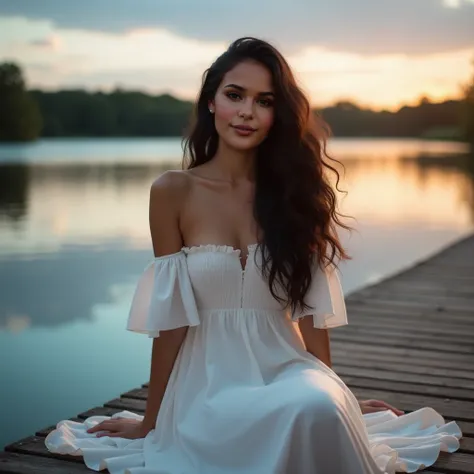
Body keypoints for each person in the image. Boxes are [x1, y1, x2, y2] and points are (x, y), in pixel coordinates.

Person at [45, 37, 462, 474]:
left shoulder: (295, 196)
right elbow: (171, 321)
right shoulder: (173, 192)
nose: (247, 111)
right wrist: (152, 420)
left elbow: (309, 317)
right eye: (234, 95)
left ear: (276, 114)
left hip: (288, 368)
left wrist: (339, 394)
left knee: (315, 408)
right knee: (259, 424)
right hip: (207, 381)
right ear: (211, 102)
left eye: (263, 101)